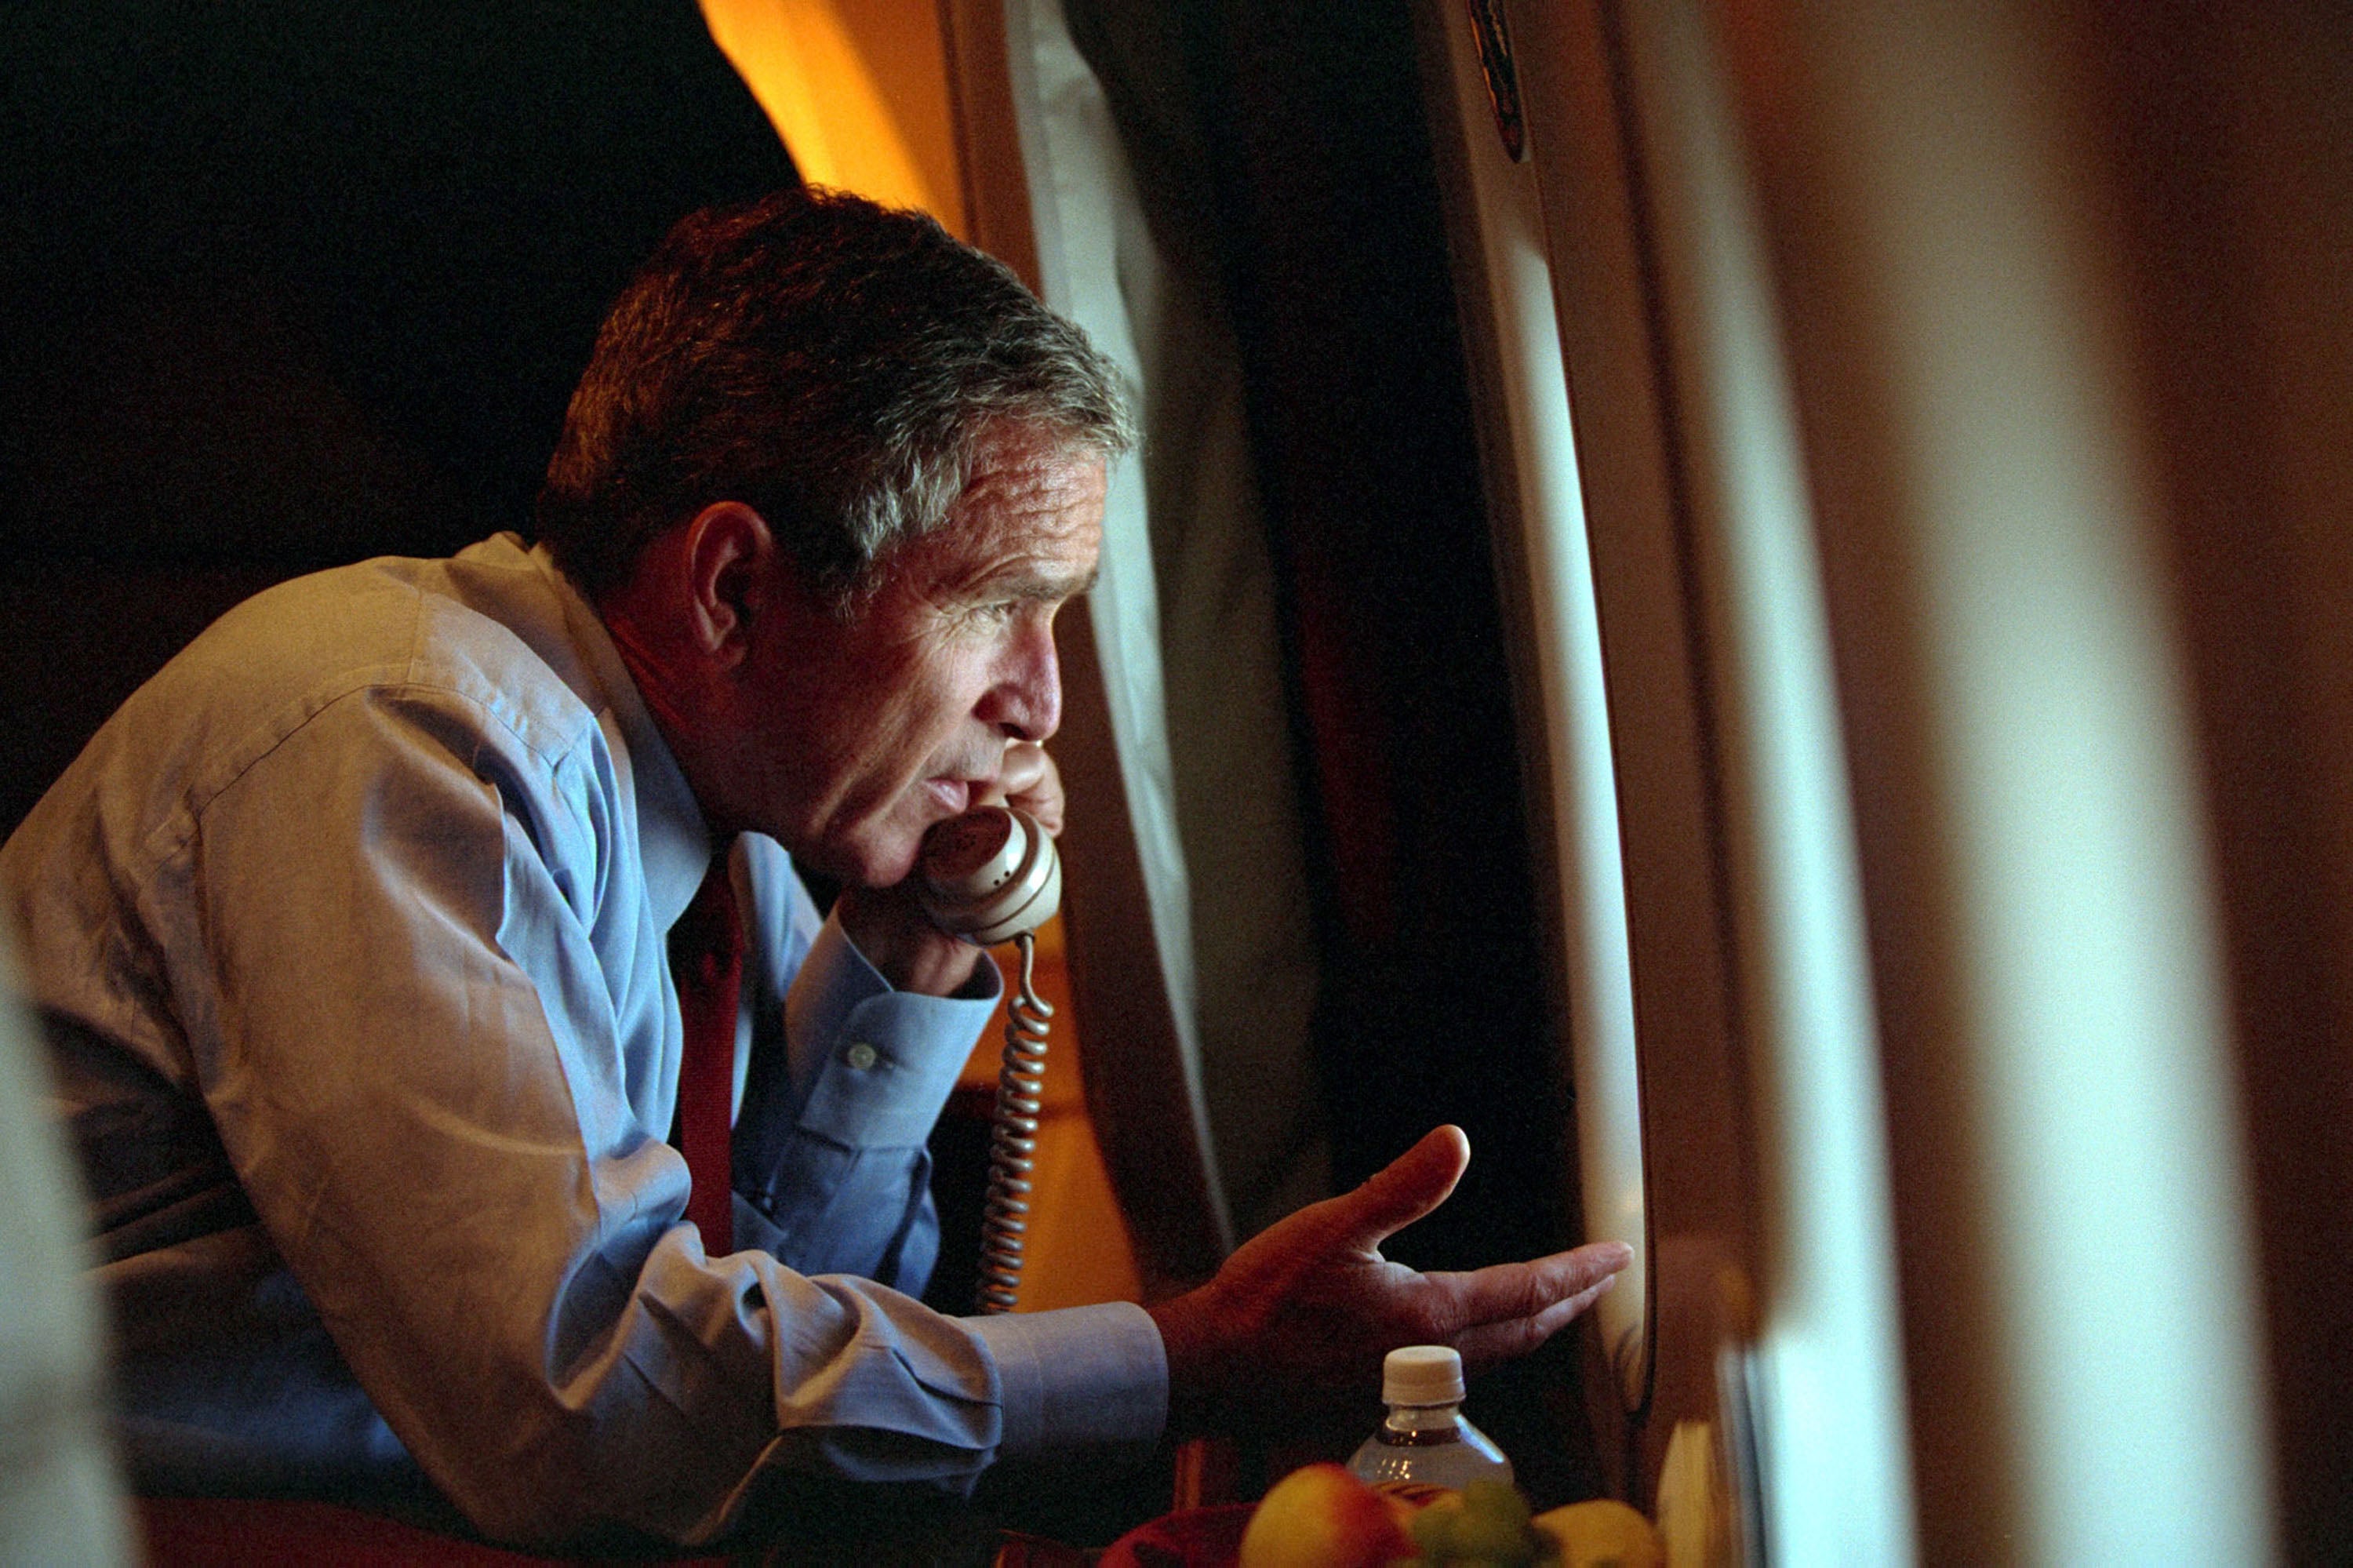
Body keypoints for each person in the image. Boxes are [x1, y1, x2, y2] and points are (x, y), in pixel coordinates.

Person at [0, 188, 1628, 1549]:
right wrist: (1190, 1356)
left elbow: (784, 1338)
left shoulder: (742, 830)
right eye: (1002, 605)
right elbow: (596, 1408)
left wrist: (916, 950)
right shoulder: (399, 734)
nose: (1040, 703)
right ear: (732, 590)